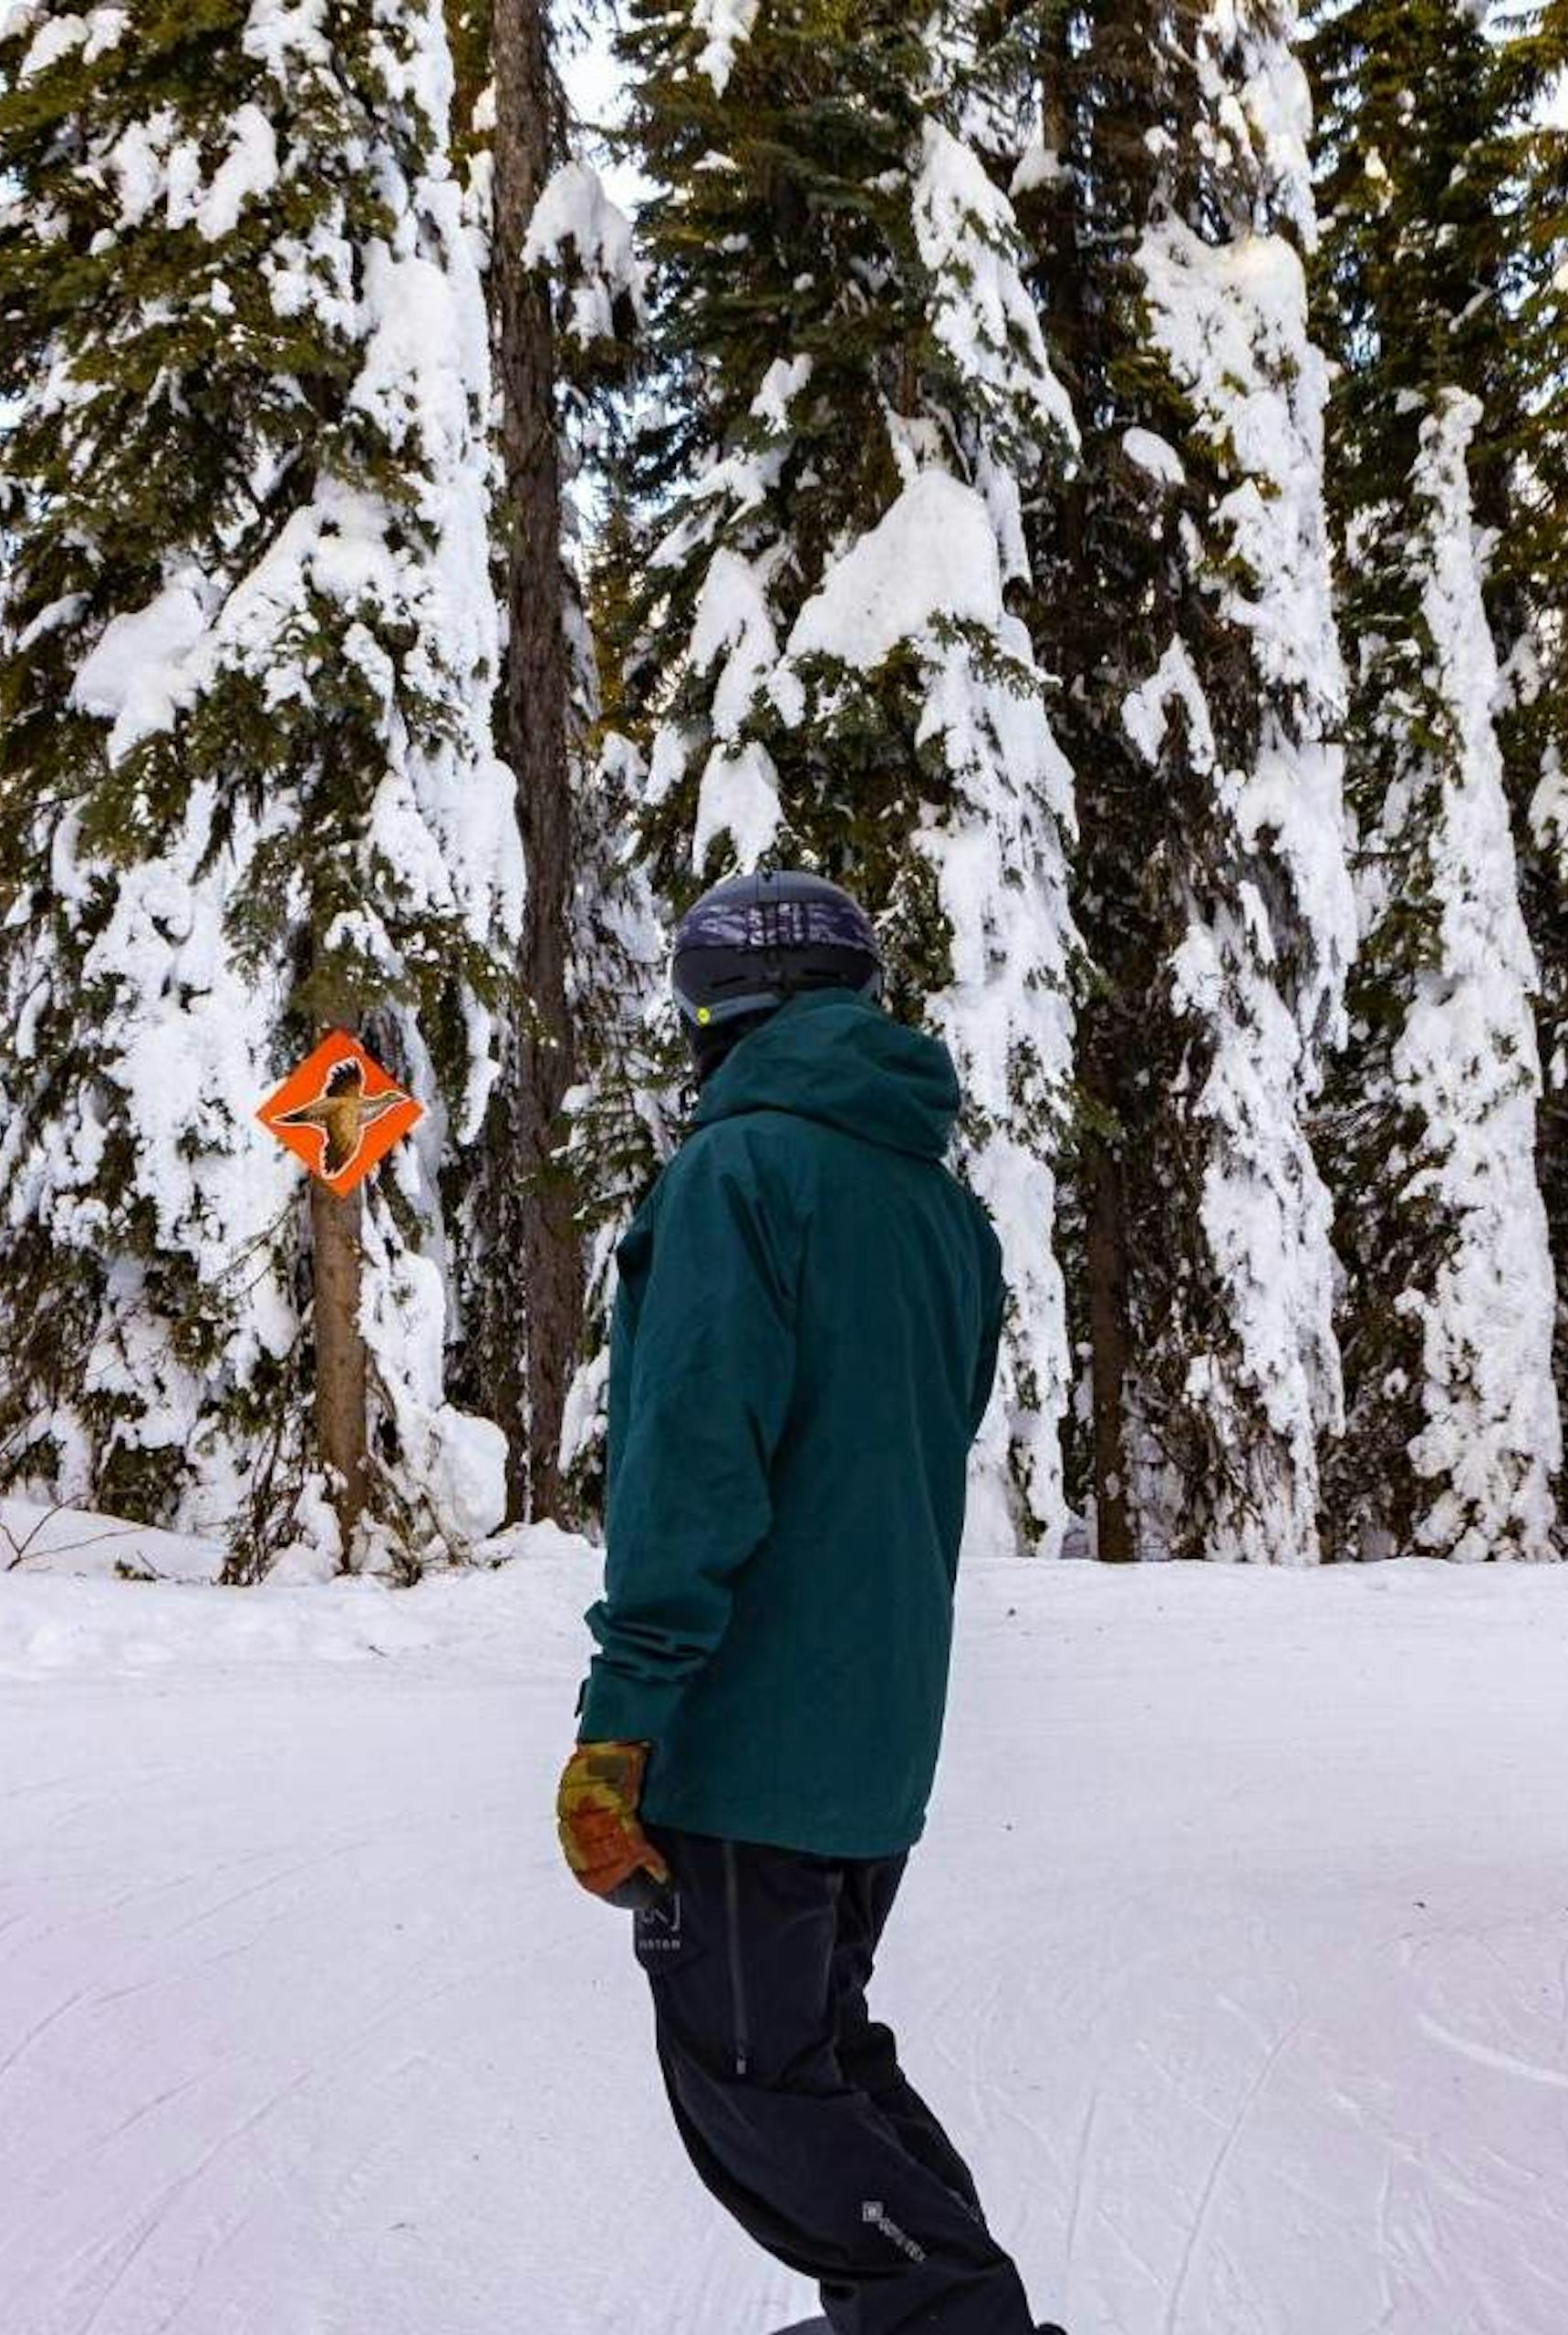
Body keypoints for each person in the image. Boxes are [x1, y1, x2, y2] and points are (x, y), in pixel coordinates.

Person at [556, 869, 1056, 2335]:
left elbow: (691, 1470)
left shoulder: (736, 1177)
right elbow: (916, 1443)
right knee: (813, 2046)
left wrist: (621, 1726)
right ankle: (912, 2317)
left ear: (709, 1015)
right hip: (878, 1737)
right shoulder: (942, 1210)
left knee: (754, 2082)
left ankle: (955, 2321)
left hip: (748, 1736)